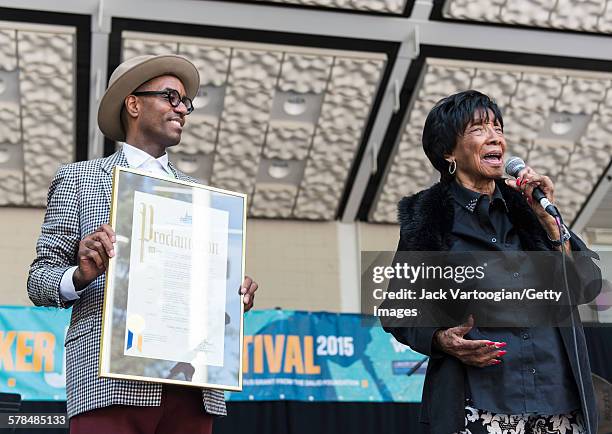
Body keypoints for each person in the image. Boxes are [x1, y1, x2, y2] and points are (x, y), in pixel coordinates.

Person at [27, 54, 259, 434]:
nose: (182, 108)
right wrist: (81, 274)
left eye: (186, 101)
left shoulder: (204, 197)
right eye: (171, 96)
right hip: (109, 382)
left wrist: (231, 296)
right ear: (133, 104)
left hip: (192, 382)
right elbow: (39, 281)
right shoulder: (80, 180)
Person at [383, 90, 602, 434]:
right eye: (478, 129)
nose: (495, 137)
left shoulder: (531, 209)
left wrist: (549, 225)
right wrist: (441, 339)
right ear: (448, 152)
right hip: (480, 402)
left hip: (559, 398)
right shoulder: (429, 218)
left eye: (498, 127)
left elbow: (588, 284)